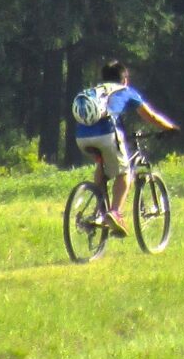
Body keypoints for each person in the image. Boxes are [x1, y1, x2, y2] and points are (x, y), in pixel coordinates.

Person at [71, 59, 178, 233]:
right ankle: (115, 213)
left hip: (82, 136)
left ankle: (99, 210)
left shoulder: (94, 91)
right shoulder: (126, 91)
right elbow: (151, 116)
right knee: (123, 172)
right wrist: (170, 128)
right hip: (106, 134)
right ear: (125, 79)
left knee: (102, 164)